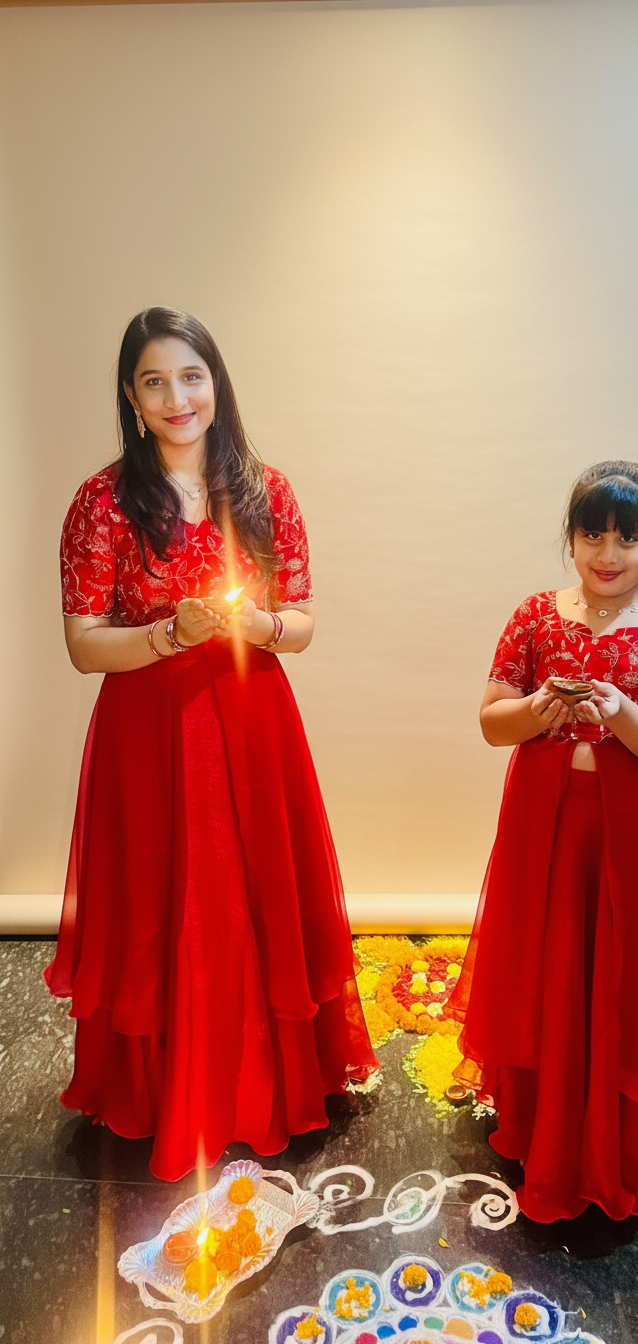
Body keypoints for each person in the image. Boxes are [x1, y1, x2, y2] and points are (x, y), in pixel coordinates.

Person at [46, 306, 377, 1182]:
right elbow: (84, 645)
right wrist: (172, 636)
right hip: (148, 735)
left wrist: (256, 622)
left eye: (190, 376)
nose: (176, 395)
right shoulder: (103, 501)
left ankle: (265, 1081)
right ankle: (163, 1094)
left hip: (252, 717)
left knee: (255, 893)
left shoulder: (267, 491)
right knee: (164, 903)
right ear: (132, 395)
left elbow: (301, 624)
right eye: (154, 380)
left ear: (216, 382)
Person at [446, 460, 638, 1223]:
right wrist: (540, 709)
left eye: (629, 537)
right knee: (548, 968)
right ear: (572, 537)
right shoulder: (535, 616)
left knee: (633, 978)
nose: (608, 553)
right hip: (546, 827)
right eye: (592, 533)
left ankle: (630, 1137)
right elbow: (492, 722)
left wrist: (618, 712)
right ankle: (545, 1124)